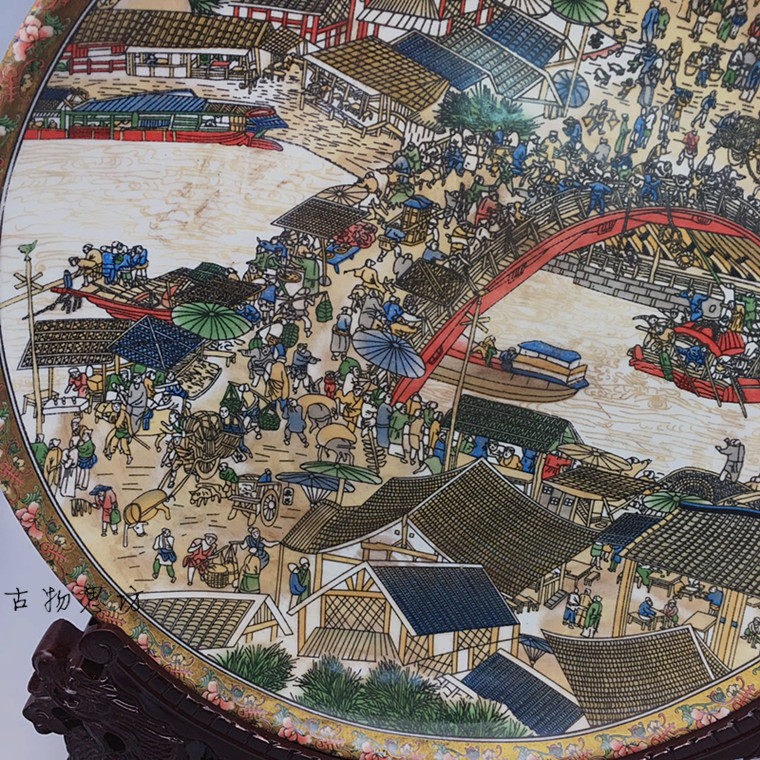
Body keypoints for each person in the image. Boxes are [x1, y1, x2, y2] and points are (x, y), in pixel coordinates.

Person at [236, 526, 278, 593]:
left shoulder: (261, 540)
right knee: (247, 567)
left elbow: (268, 544)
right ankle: (245, 584)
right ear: (251, 534)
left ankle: (252, 586)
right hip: (253, 556)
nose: (256, 534)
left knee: (254, 570)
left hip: (262, 557)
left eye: (257, 532)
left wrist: (276, 543)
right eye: (254, 533)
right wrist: (238, 543)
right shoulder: (248, 539)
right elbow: (243, 547)